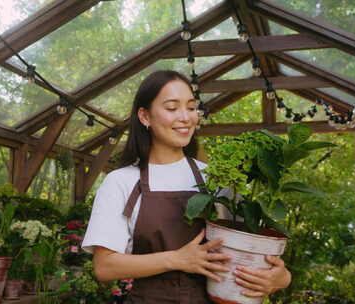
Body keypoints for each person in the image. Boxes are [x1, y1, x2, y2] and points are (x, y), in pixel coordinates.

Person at [81, 70, 291, 303]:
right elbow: (105, 267)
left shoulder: (216, 179)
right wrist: (177, 259)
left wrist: (281, 278)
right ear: (144, 116)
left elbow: (249, 248)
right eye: (172, 108)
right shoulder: (121, 182)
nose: (186, 117)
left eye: (191, 108)